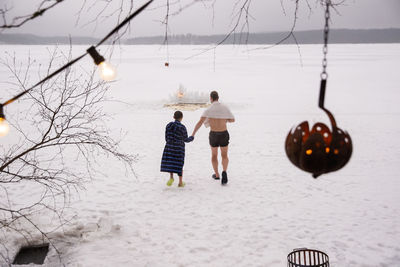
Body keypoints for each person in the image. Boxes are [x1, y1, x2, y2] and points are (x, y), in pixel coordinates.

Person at [191, 91, 235, 185]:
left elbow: (200, 122)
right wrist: (224, 119)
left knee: (214, 155)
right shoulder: (225, 107)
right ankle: (224, 171)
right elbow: (232, 120)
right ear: (218, 97)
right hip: (223, 133)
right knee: (224, 155)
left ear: (211, 98)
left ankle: (217, 174)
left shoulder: (209, 109)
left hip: (213, 134)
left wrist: (193, 134)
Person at [161, 111, 194, 187]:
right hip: (179, 148)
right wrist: (192, 138)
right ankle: (180, 182)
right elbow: (186, 139)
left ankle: (171, 178)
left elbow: (166, 137)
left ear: (173, 117)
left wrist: (170, 143)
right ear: (181, 117)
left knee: (171, 162)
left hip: (169, 146)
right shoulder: (182, 127)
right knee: (179, 164)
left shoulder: (168, 126)